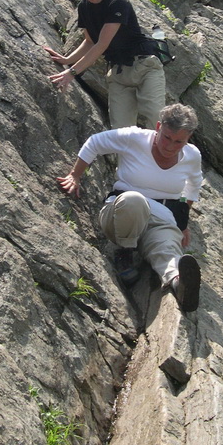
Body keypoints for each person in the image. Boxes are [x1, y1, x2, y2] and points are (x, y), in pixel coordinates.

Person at [57, 104, 203, 312]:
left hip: (162, 216)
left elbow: (193, 187)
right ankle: (125, 251)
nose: (170, 146)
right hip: (122, 212)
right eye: (167, 137)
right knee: (134, 200)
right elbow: (95, 143)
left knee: (168, 247)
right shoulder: (134, 137)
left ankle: (178, 283)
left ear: (188, 138)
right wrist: (75, 175)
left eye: (179, 142)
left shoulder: (192, 155)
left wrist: (182, 223)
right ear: (159, 126)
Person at [44, 0, 166, 130]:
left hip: (145, 66)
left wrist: (71, 73)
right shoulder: (83, 8)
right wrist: (66, 60)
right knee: (120, 132)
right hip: (119, 72)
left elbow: (101, 44)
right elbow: (89, 40)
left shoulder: (117, 3)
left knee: (156, 120)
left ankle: (163, 156)